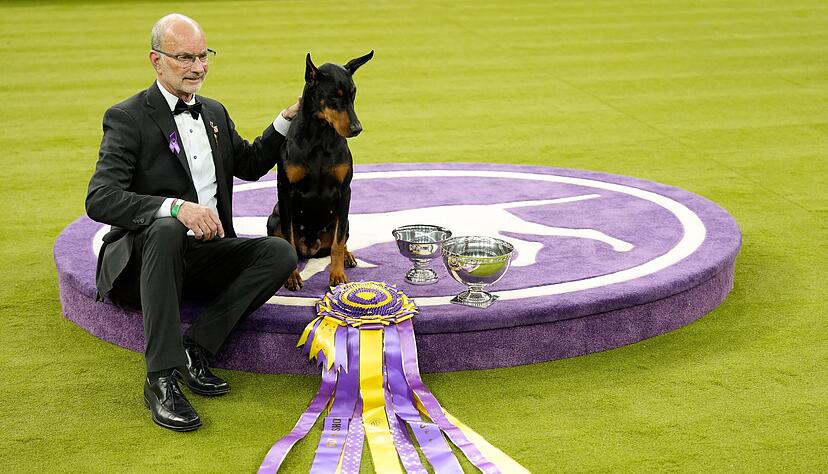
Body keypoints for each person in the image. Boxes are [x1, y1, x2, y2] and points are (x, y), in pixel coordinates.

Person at [86, 13, 299, 432]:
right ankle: (160, 379)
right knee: (166, 226)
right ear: (156, 60)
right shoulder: (127, 118)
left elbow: (252, 164)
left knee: (280, 252)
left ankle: (196, 347)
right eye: (184, 57)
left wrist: (287, 119)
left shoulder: (215, 112)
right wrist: (175, 208)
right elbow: (100, 197)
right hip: (143, 265)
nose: (197, 67)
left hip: (203, 259)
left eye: (203, 56)